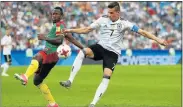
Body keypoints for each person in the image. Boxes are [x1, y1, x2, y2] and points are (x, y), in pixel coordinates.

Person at [60, 2, 168, 107]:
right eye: (108, 12)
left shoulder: (125, 23)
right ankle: (70, 80)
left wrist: (158, 40)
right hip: (100, 47)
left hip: (112, 53)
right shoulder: (103, 19)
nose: (109, 14)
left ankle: (93, 103)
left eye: (111, 13)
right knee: (83, 52)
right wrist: (70, 30)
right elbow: (87, 29)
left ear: (118, 13)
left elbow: (143, 32)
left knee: (106, 76)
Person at [14, 7, 84, 107]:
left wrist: (44, 37)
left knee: (37, 57)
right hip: (54, 58)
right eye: (53, 14)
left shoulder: (59, 25)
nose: (54, 15)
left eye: (56, 14)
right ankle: (53, 103)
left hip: (50, 52)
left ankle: (25, 76)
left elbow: (59, 41)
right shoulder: (61, 26)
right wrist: (84, 48)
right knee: (37, 81)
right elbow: (71, 38)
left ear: (61, 16)